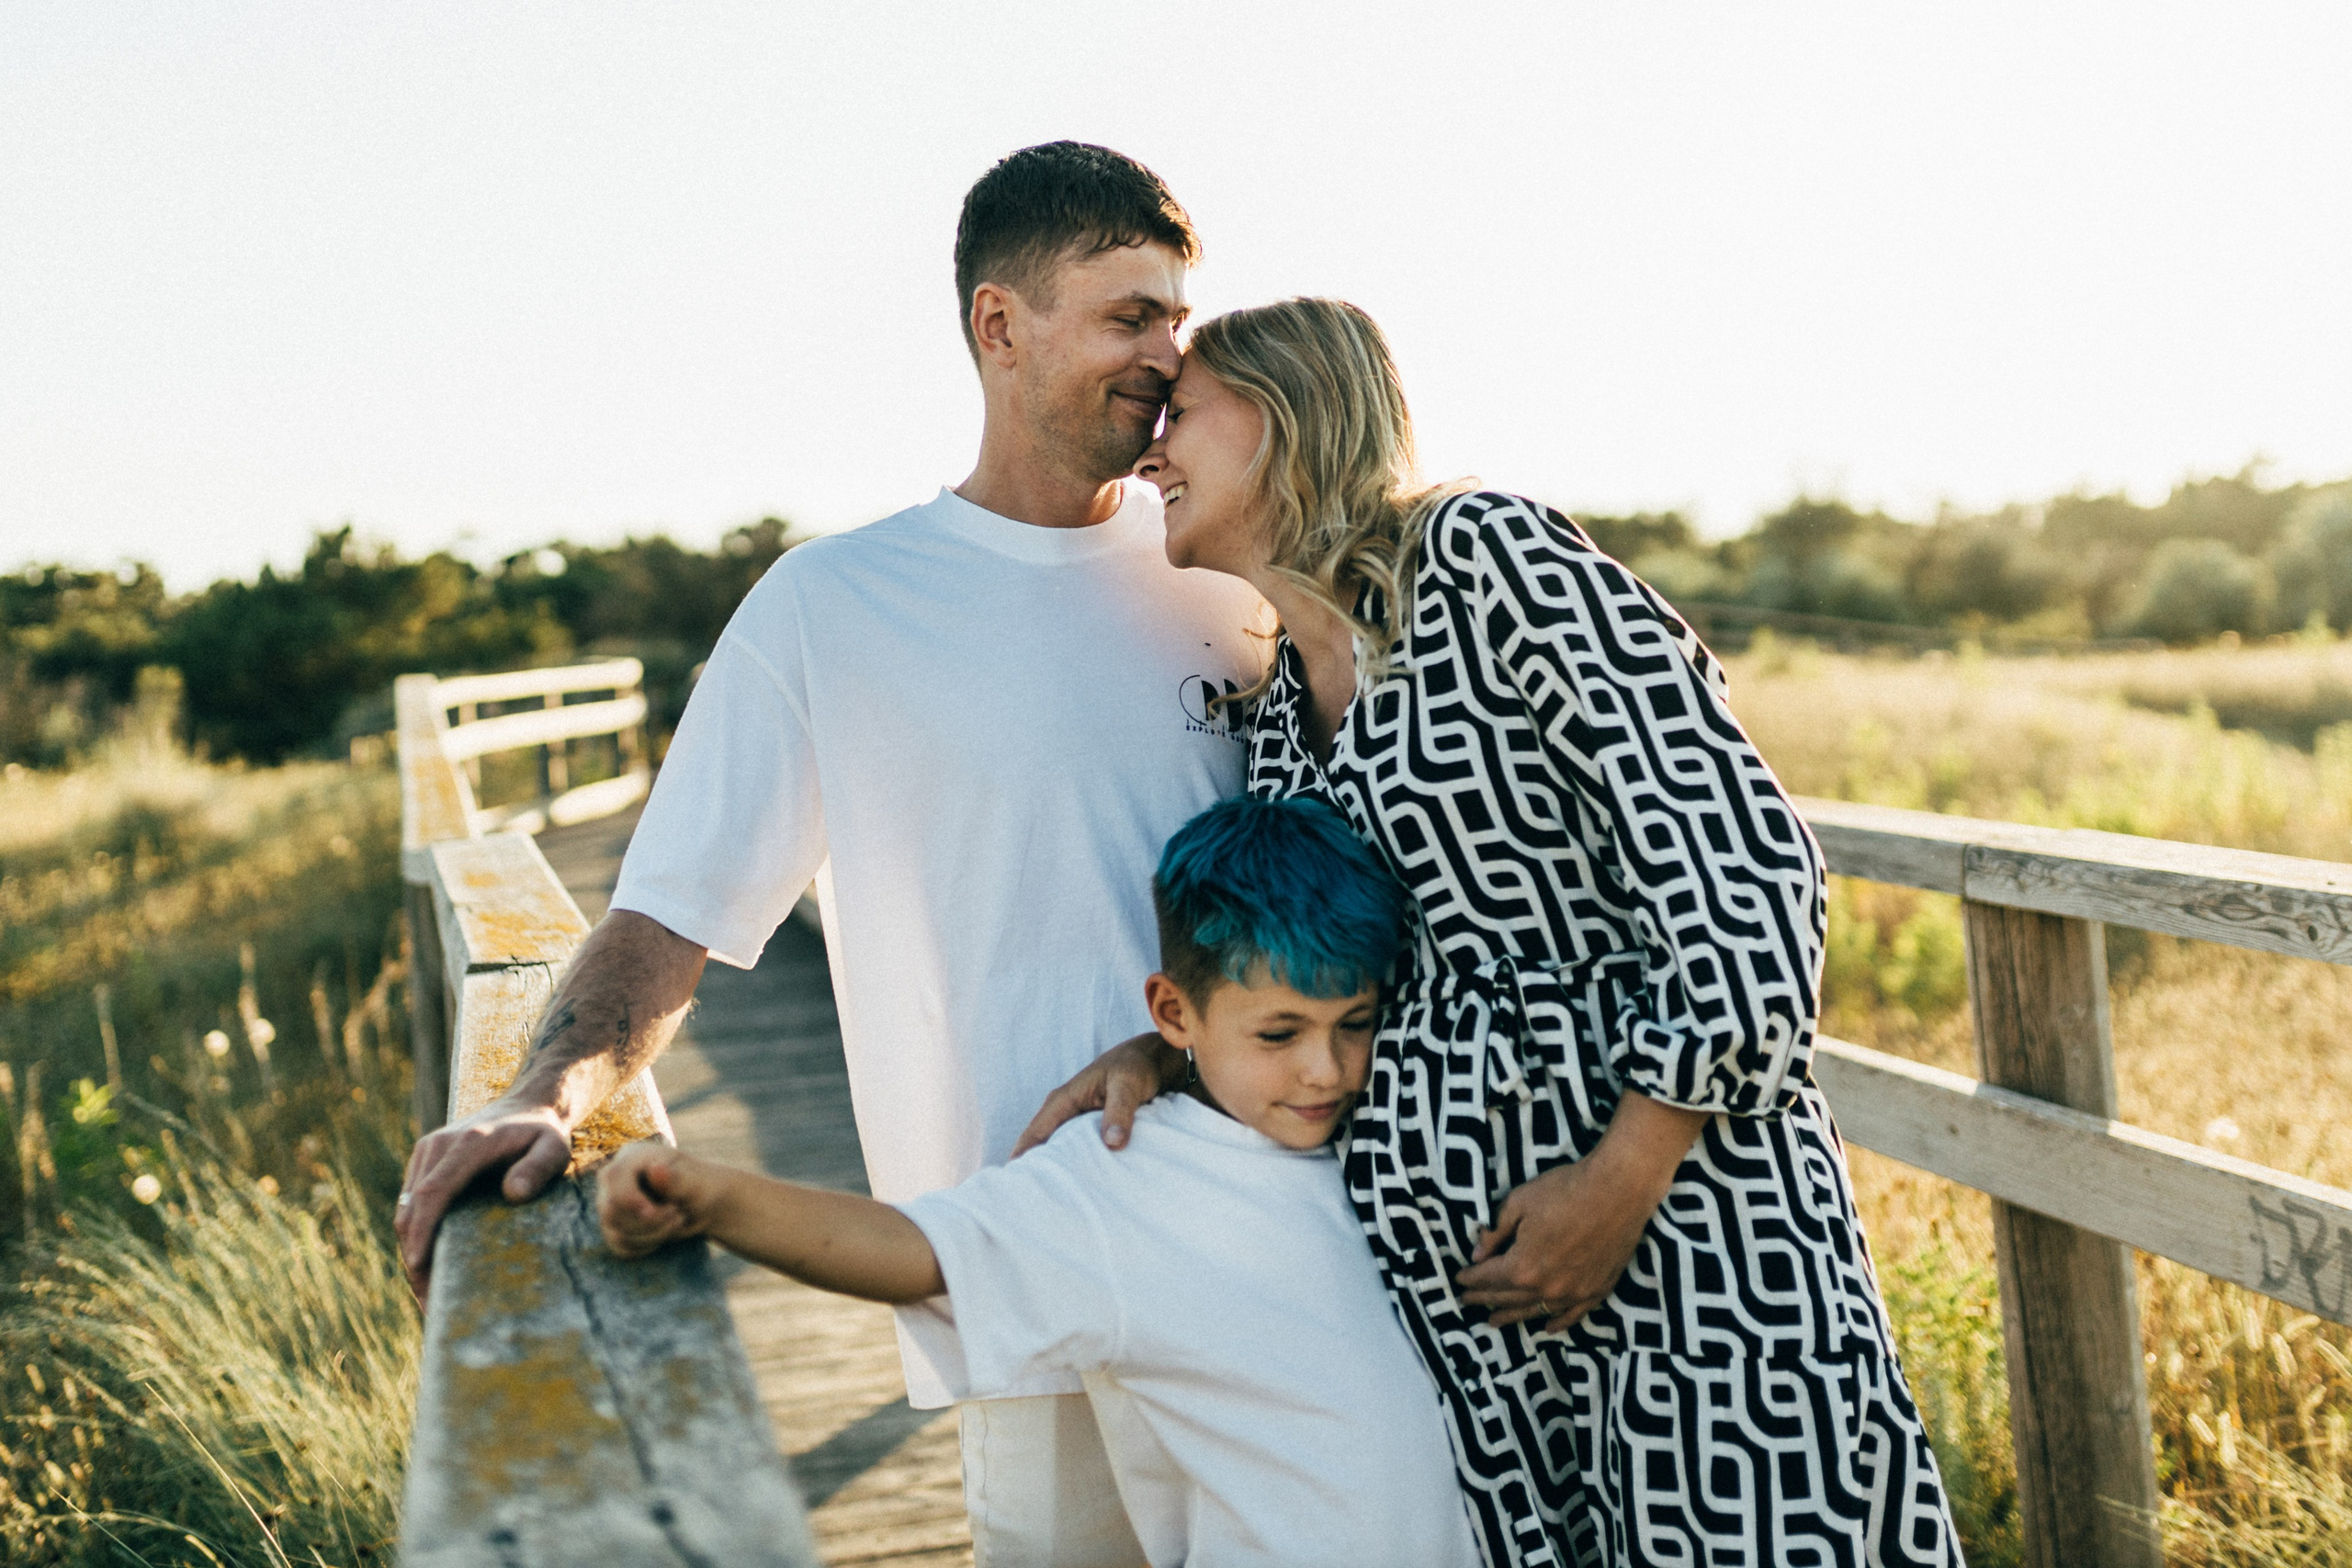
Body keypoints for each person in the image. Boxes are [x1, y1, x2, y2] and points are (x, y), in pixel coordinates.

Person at [393, 142, 1266, 1566]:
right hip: (1022, 1260)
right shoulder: (835, 604)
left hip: (1271, 1226)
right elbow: (669, 913)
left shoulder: (1228, 568)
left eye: (1178, 317)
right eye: (1129, 317)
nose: (1170, 356)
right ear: (999, 324)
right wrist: (550, 1092)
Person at [1025, 299, 1962, 1567]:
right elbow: (1293, 975)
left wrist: (1622, 1176)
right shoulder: (1280, 720)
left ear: (1288, 409)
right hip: (1472, 1305)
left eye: (1180, 414)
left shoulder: (1483, 560)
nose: (1150, 454)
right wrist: (1166, 1061)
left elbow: (1739, 861)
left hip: (1690, 1220)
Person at [599, 795, 1482, 1568]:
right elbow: (919, 1251)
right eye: (1280, 1034)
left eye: (1355, 1024)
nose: (1328, 1071)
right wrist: (710, 1195)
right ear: (1174, 1012)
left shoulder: (1392, 1128)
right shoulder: (1121, 1176)